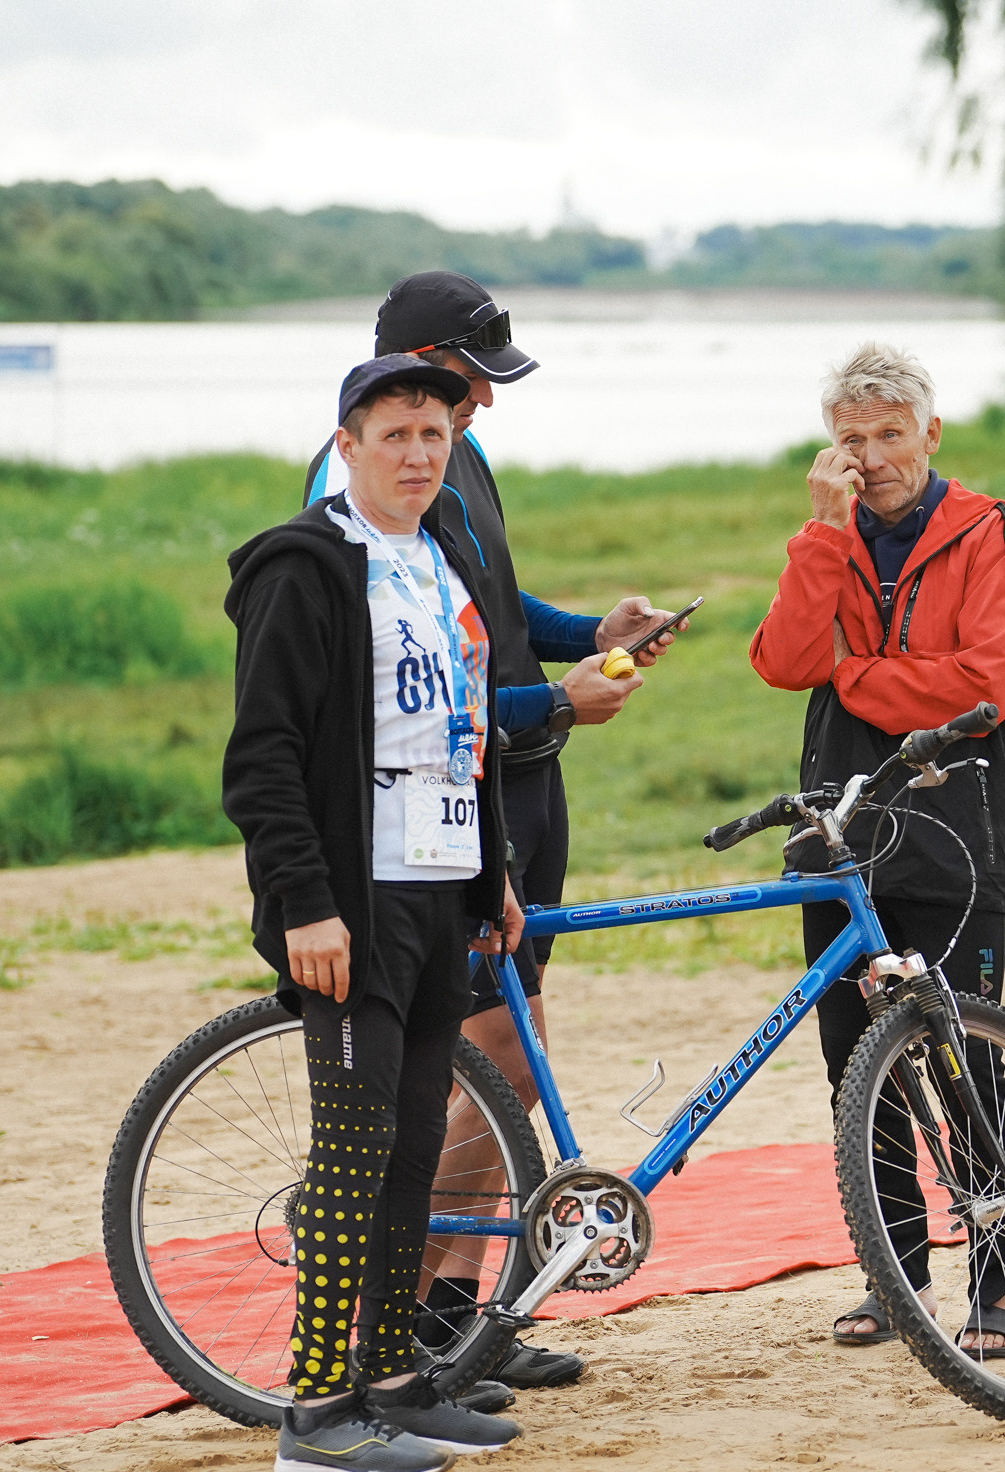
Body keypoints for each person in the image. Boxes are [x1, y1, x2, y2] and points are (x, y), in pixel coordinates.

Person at [304, 273, 684, 1391]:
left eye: (456, 409)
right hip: (453, 796)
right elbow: (411, 698)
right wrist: (561, 701)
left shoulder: (455, 455)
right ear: (410, 377)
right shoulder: (364, 491)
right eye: (467, 386)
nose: (475, 413)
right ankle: (419, 1315)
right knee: (493, 1063)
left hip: (511, 800)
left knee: (505, 1062)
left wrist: (593, 634)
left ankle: (464, 1312)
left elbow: (489, 620)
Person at [223, 353, 531, 1472]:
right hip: (351, 898)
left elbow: (467, 729)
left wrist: (490, 870)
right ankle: (317, 1413)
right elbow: (263, 760)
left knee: (412, 1151)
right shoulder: (304, 567)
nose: (415, 455)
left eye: (433, 437)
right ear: (344, 444)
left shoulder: (441, 553)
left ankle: (393, 1378)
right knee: (352, 1161)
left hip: (438, 884)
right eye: (393, 434)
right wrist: (304, 901)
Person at [749, 341, 1005, 1355]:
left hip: (955, 825)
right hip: (838, 823)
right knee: (853, 1062)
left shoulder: (987, 529)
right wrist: (822, 540)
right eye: (851, 438)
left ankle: (1001, 1288)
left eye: (889, 434)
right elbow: (786, 661)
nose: (872, 455)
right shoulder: (825, 534)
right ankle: (896, 1277)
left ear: (931, 431)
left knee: (967, 1057)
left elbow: (985, 685)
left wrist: (859, 674)